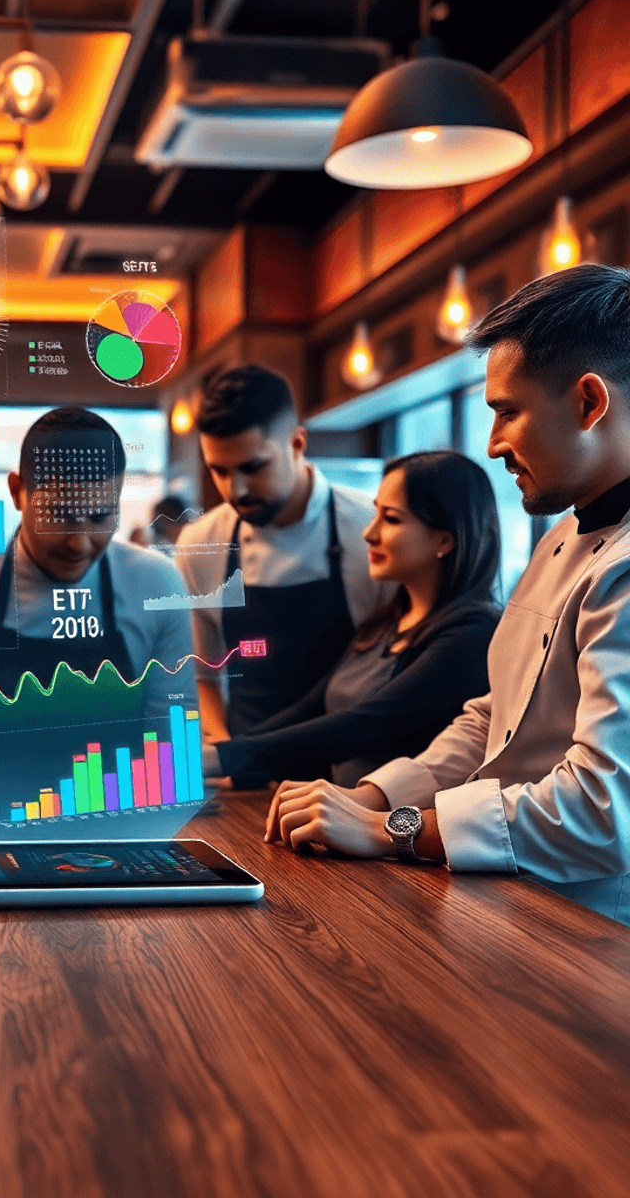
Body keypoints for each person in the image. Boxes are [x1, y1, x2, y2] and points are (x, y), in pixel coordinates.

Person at [266, 265, 630, 926]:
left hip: (594, 935)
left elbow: (603, 810)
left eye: (507, 413)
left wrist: (396, 831)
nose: (492, 446)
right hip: (507, 897)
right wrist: (377, 796)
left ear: (588, 402)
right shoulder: (559, 541)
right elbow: (492, 717)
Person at [0, 406, 196, 812]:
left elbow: (173, 751)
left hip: (116, 833)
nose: (80, 542)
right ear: (18, 491)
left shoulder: (157, 586)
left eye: (100, 517)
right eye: (60, 517)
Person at [210, 451, 500, 788]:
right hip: (340, 820)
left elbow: (366, 724)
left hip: (396, 834)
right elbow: (313, 708)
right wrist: (226, 757)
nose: (369, 533)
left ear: (445, 539)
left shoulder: (473, 633)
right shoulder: (387, 621)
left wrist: (226, 758)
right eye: (376, 513)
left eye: (391, 519)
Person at [176, 365, 385, 743]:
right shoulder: (199, 544)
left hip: (350, 765)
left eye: (252, 467)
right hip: (247, 765)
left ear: (298, 443)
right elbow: (202, 674)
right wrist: (227, 751)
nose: (234, 490)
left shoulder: (370, 527)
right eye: (218, 471)